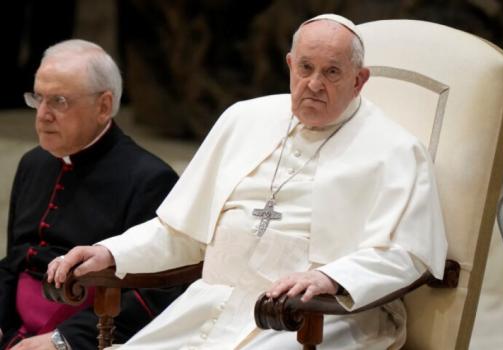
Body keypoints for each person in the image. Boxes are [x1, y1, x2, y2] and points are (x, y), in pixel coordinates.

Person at [48, 14, 448, 349]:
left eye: (332, 73)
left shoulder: (395, 149)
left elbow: (407, 255)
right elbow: (184, 232)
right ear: (290, 64)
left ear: (359, 80)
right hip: (212, 304)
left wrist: (329, 278)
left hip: (321, 318)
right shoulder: (243, 119)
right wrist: (112, 253)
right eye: (305, 68)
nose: (313, 84)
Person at [0, 39, 185, 349]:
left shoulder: (149, 179)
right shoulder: (33, 163)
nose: (43, 114)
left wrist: (64, 341)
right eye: (38, 98)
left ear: (103, 106)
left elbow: (155, 295)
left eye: (58, 101)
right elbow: (14, 261)